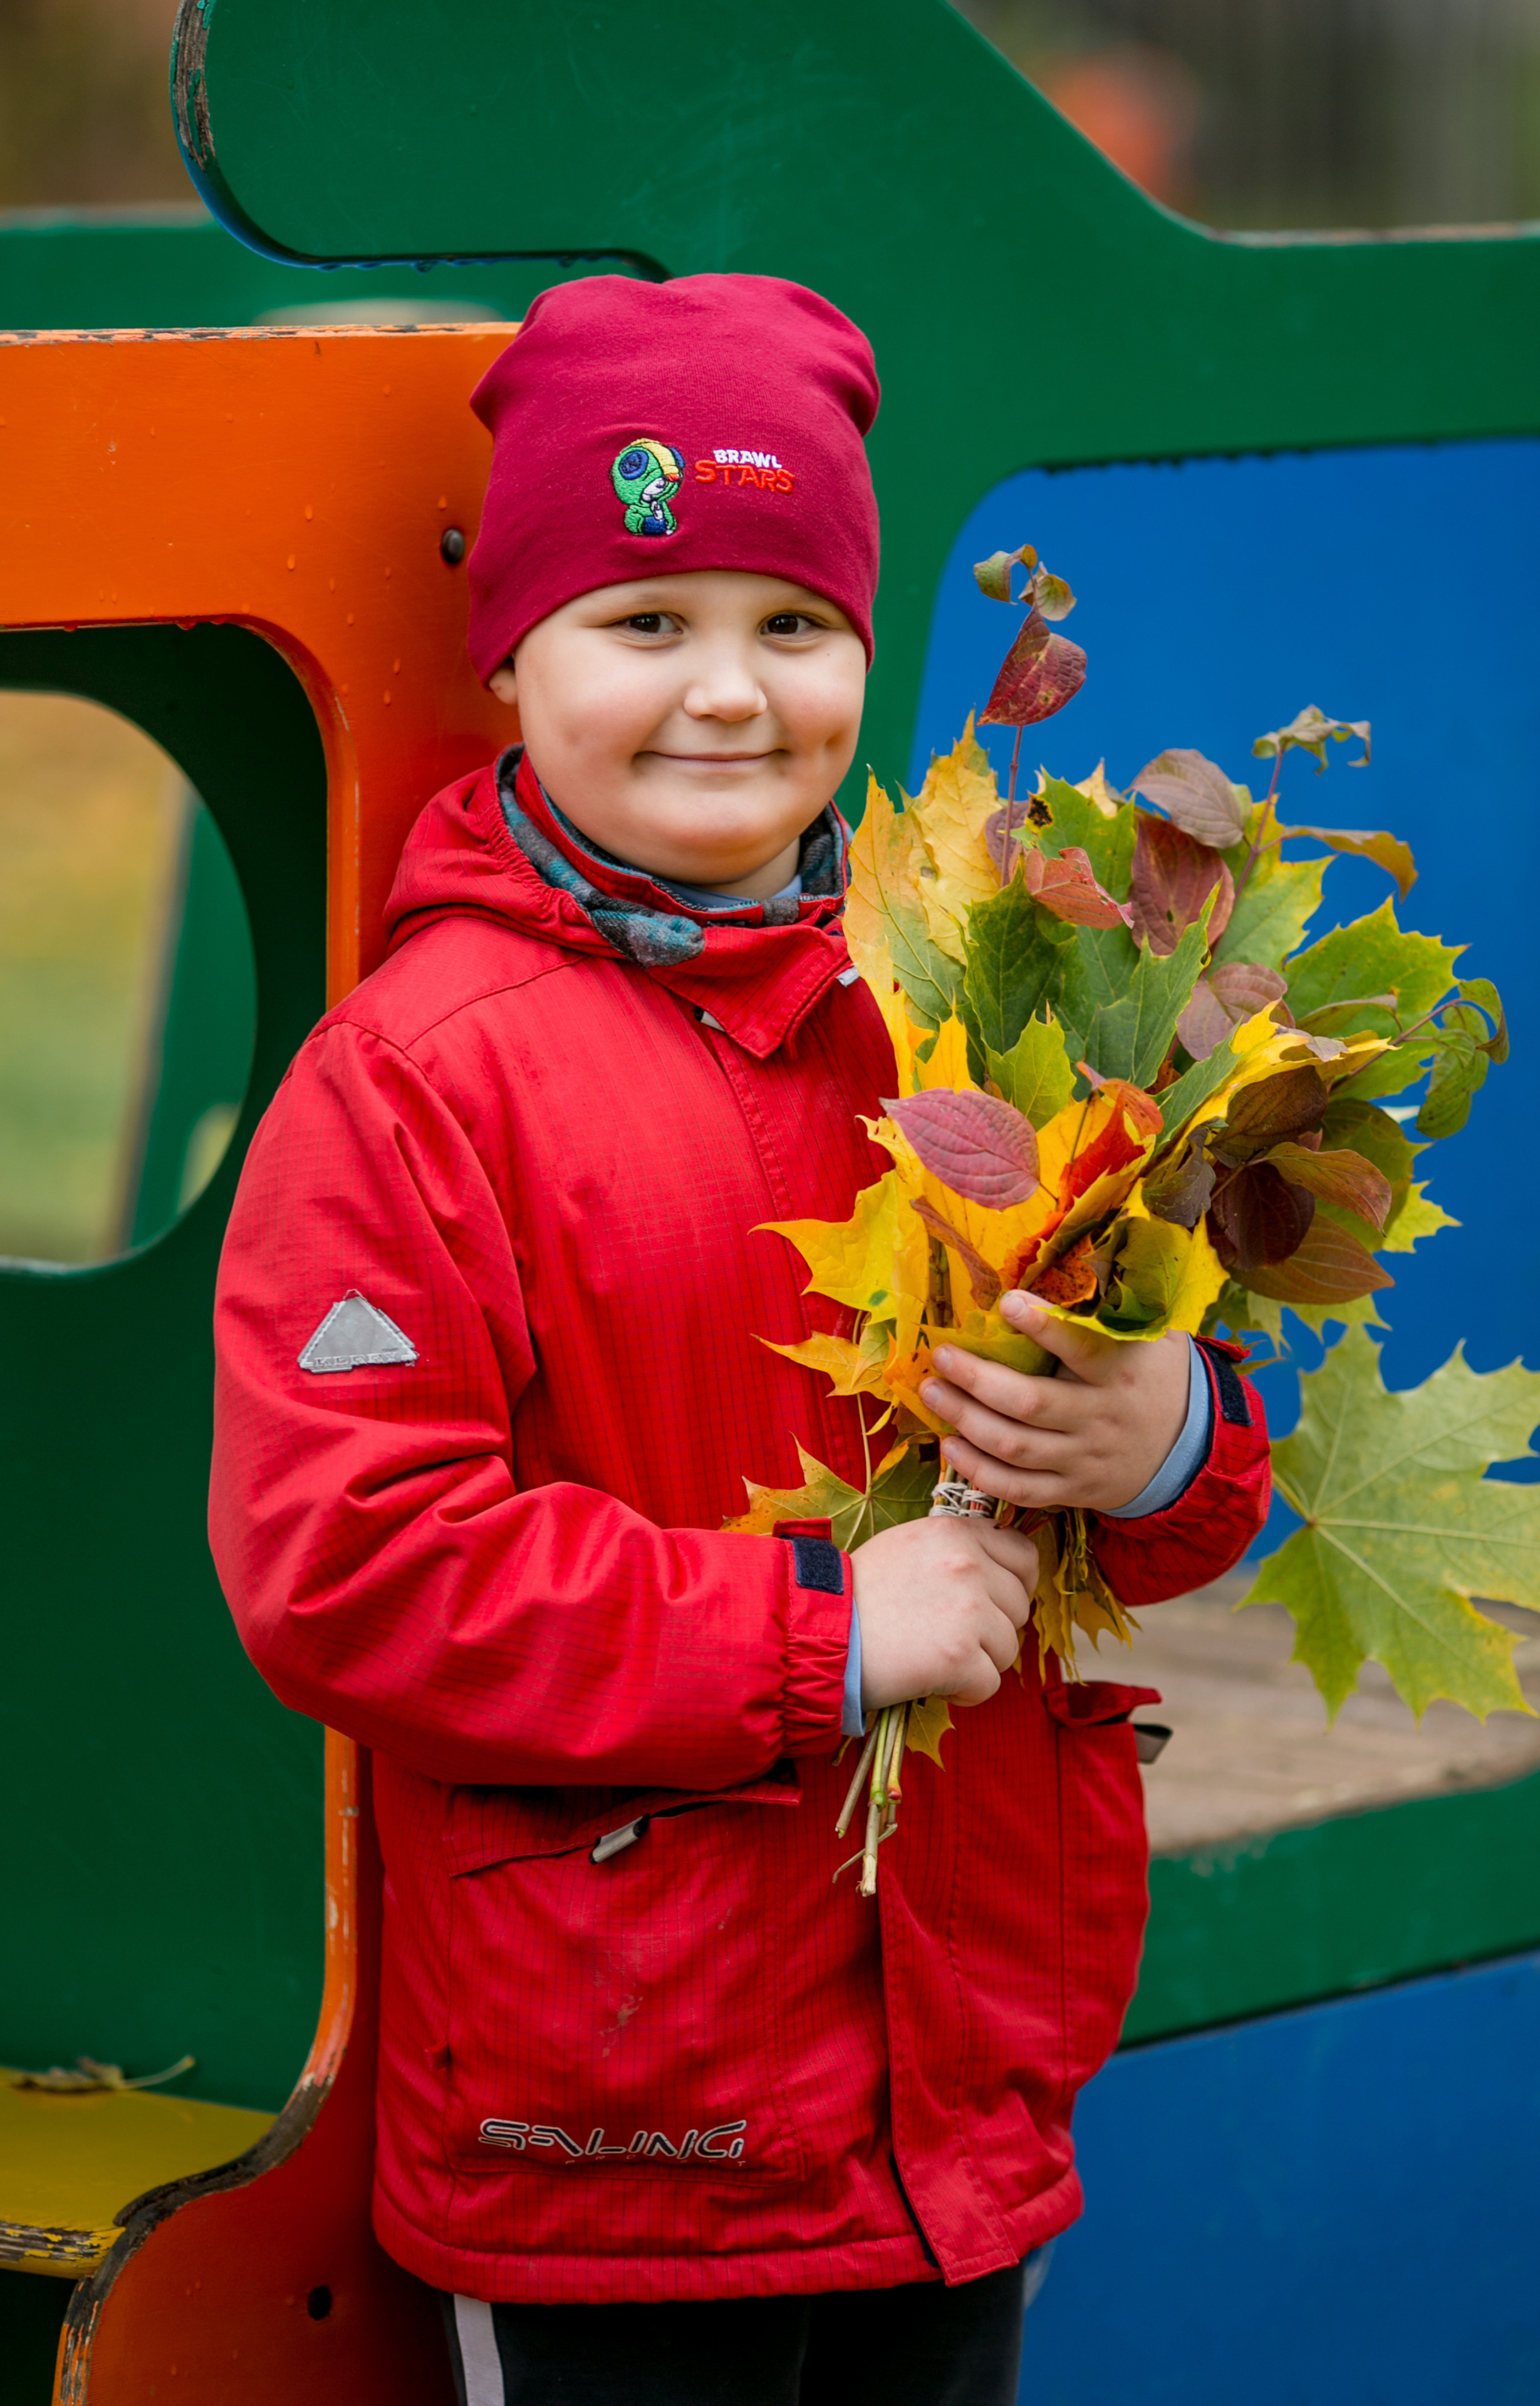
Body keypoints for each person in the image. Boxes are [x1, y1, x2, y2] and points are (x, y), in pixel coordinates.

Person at [210, 273, 1270, 2406]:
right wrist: (819, 1633)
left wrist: (1160, 1437)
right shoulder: (423, 1075)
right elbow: (352, 1566)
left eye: (793, 626)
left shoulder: (968, 1017)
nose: (728, 694)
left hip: (958, 2100)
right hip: (625, 2127)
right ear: (514, 654)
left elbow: (1132, 1506)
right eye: (646, 621)